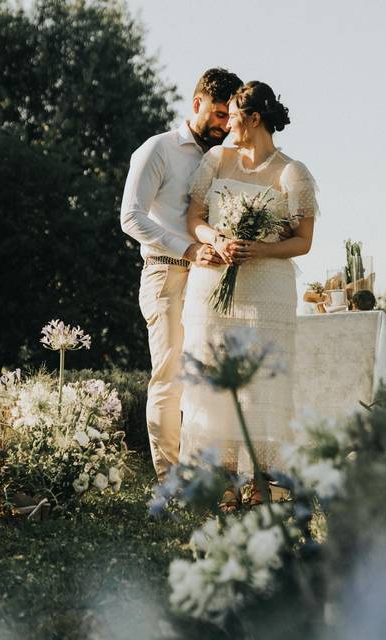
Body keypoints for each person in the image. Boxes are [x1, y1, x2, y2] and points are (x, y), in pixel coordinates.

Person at [179, 80, 319, 502]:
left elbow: (303, 241)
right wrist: (216, 239)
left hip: (266, 291)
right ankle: (223, 478)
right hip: (214, 284)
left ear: (254, 119)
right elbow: (194, 219)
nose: (226, 125)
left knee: (261, 382)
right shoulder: (216, 160)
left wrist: (259, 248)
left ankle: (264, 480)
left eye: (233, 116)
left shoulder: (293, 173)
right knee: (218, 378)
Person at [120, 68, 242, 480]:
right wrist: (187, 248)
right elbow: (130, 217)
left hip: (209, 282)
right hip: (165, 274)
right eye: (220, 114)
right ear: (197, 105)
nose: (225, 126)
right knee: (170, 378)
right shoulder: (158, 150)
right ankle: (169, 479)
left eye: (230, 118)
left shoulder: (222, 159)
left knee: (209, 379)